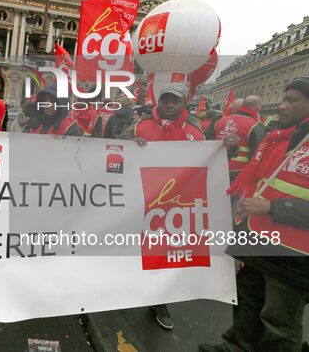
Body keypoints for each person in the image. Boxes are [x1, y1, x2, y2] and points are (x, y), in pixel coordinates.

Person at [199, 76, 309, 352]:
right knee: (247, 305)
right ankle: (234, 347)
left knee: (278, 324)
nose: (282, 106)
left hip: (293, 255)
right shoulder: (279, 137)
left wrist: (273, 208)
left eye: (291, 101)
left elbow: (270, 199)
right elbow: (258, 180)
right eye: (283, 99)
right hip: (257, 239)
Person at [120, 83, 205, 330]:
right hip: (139, 201)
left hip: (173, 209)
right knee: (132, 251)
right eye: (165, 100)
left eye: (174, 101)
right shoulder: (139, 126)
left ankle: (160, 302)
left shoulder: (195, 133)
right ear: (158, 102)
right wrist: (128, 146)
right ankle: (124, 291)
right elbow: (114, 153)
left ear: (183, 103)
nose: (169, 105)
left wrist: (227, 151)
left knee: (166, 258)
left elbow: (207, 166)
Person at [207, 95, 266, 179]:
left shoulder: (220, 120)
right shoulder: (255, 125)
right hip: (237, 173)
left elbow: (207, 141)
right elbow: (258, 154)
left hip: (215, 168)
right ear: (257, 109)